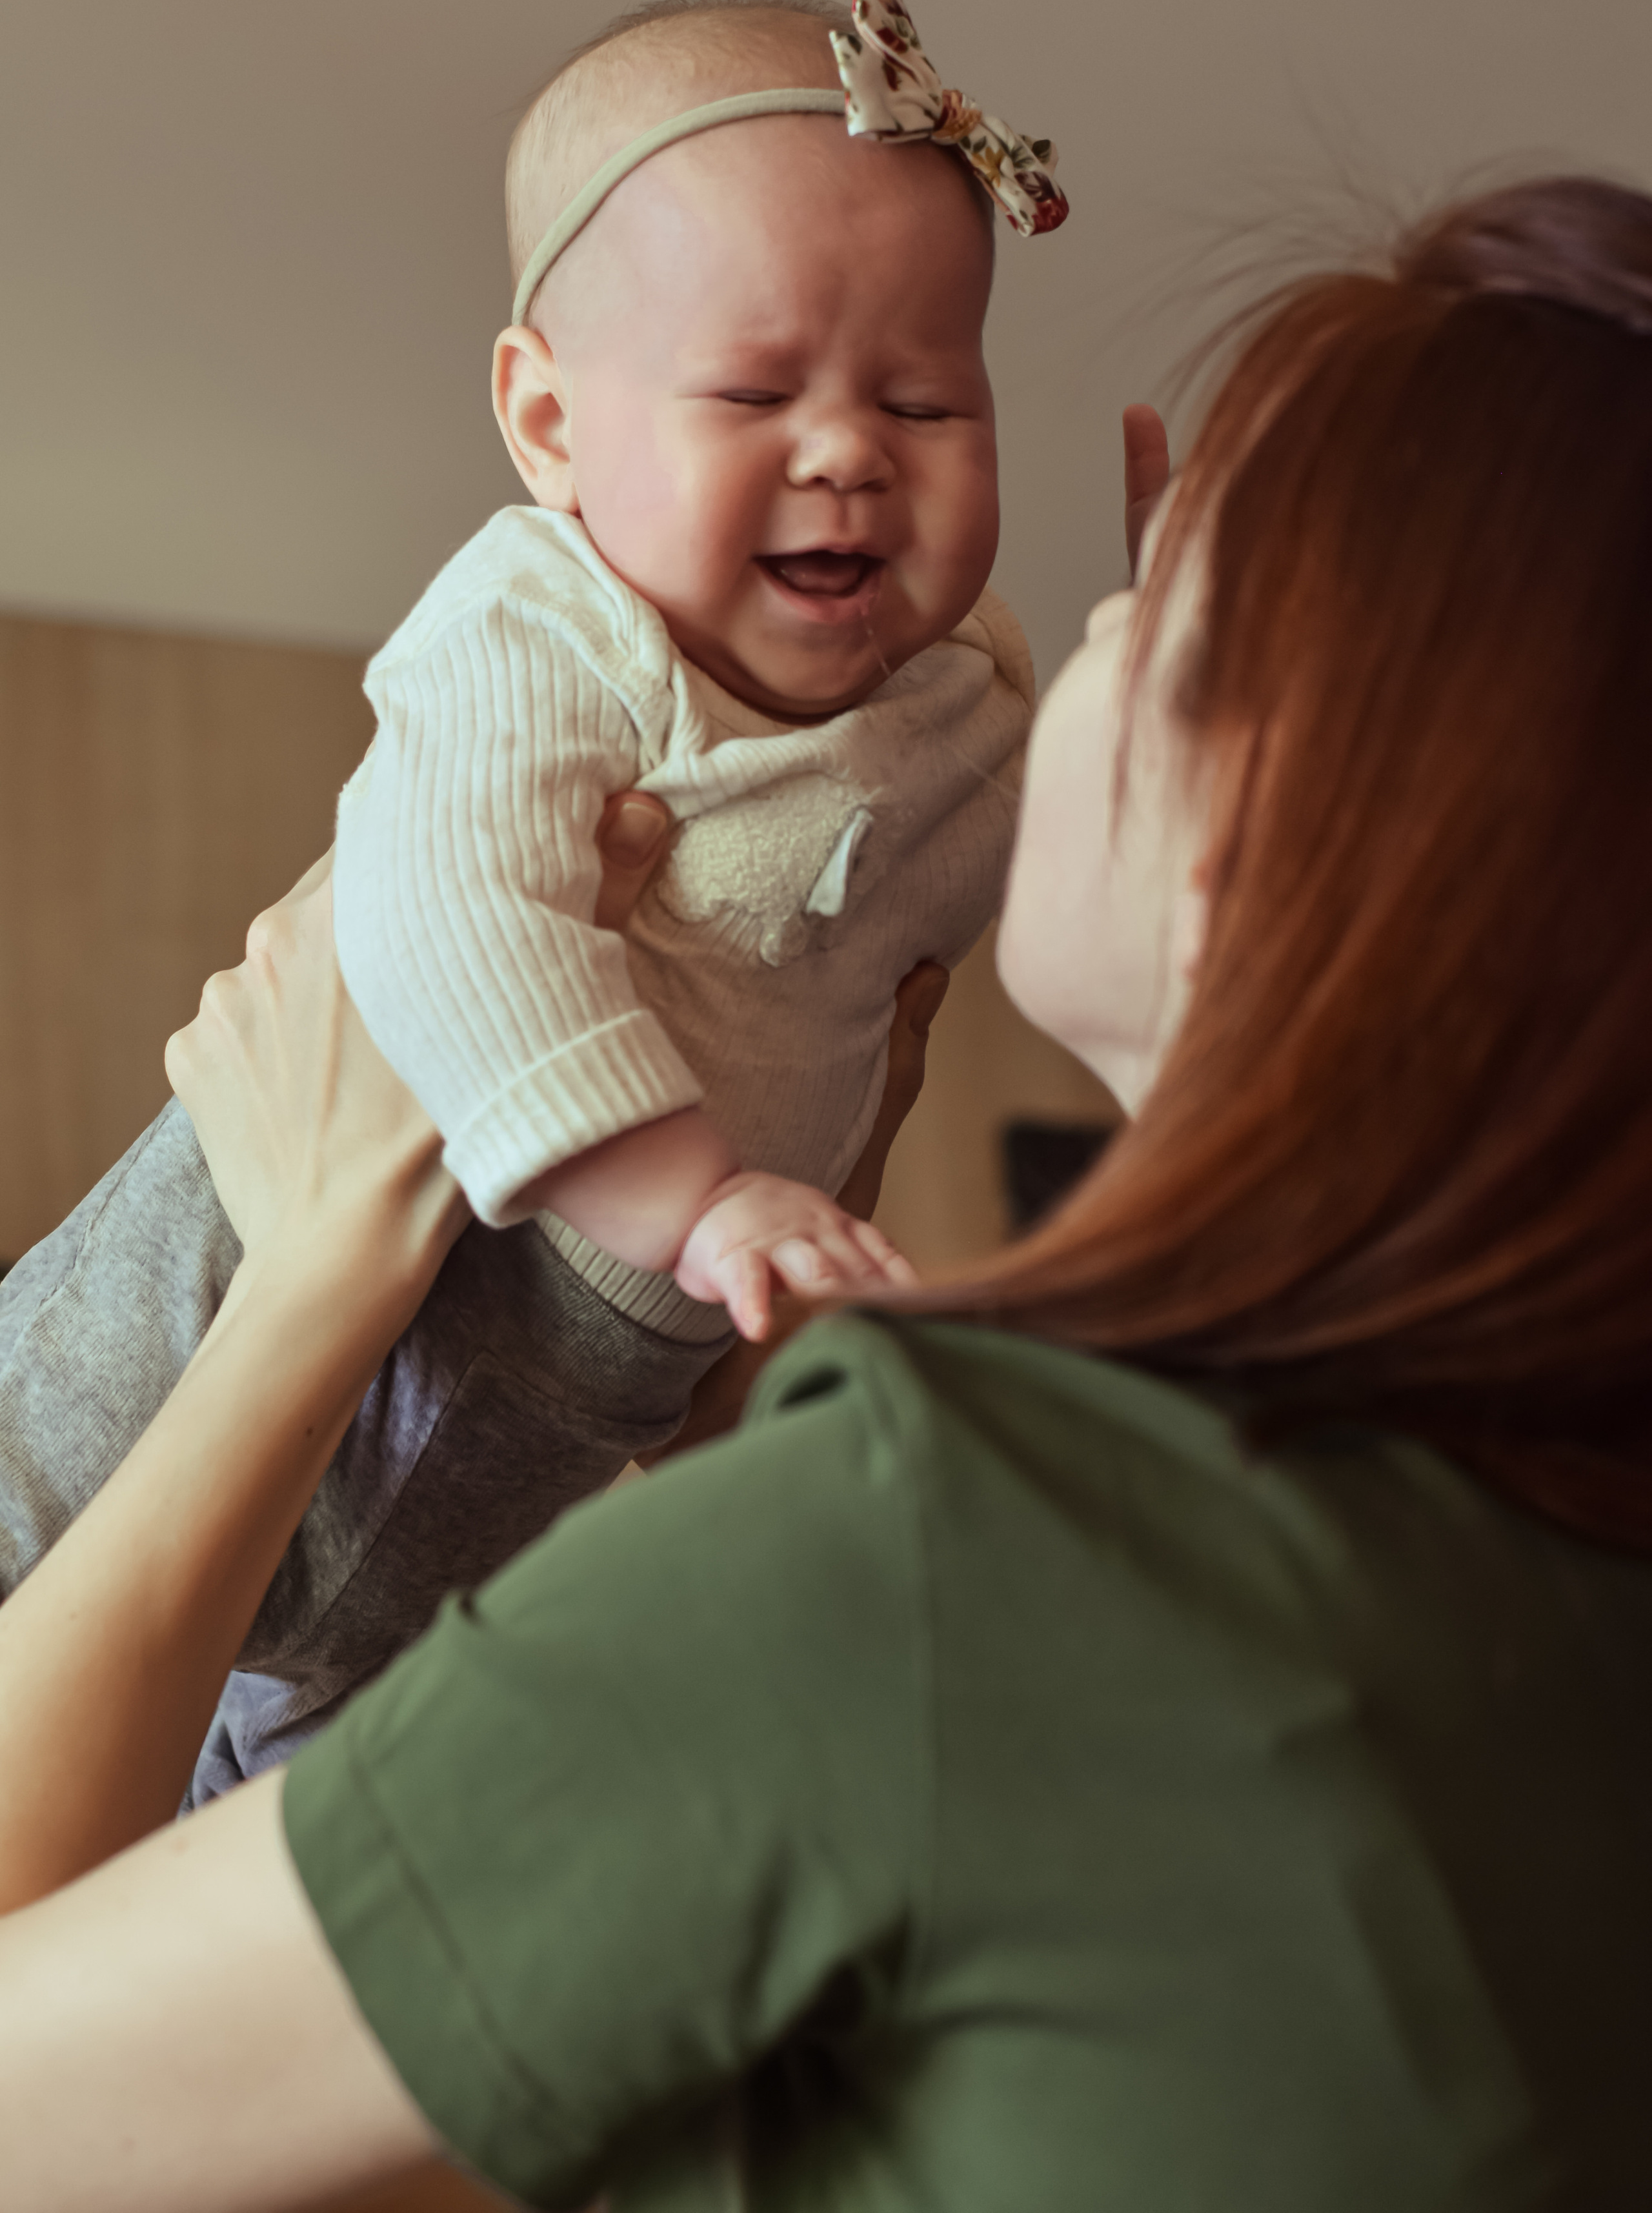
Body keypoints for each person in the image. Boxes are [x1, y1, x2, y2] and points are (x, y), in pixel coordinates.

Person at [7, 172, 1652, 2212]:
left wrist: (322, 1274)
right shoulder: (1545, 1619)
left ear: (1271, 833)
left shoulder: (964, 1550)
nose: (1083, 634)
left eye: (1172, 602)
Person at [0, 0, 1060, 1799]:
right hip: (190, 1349)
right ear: (552, 426)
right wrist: (708, 1197)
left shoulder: (965, 703)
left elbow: (1090, 865)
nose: (850, 453)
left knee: (331, 1821)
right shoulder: (544, 628)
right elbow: (449, 918)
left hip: (507, 1487)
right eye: (754, 388)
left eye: (928, 400)